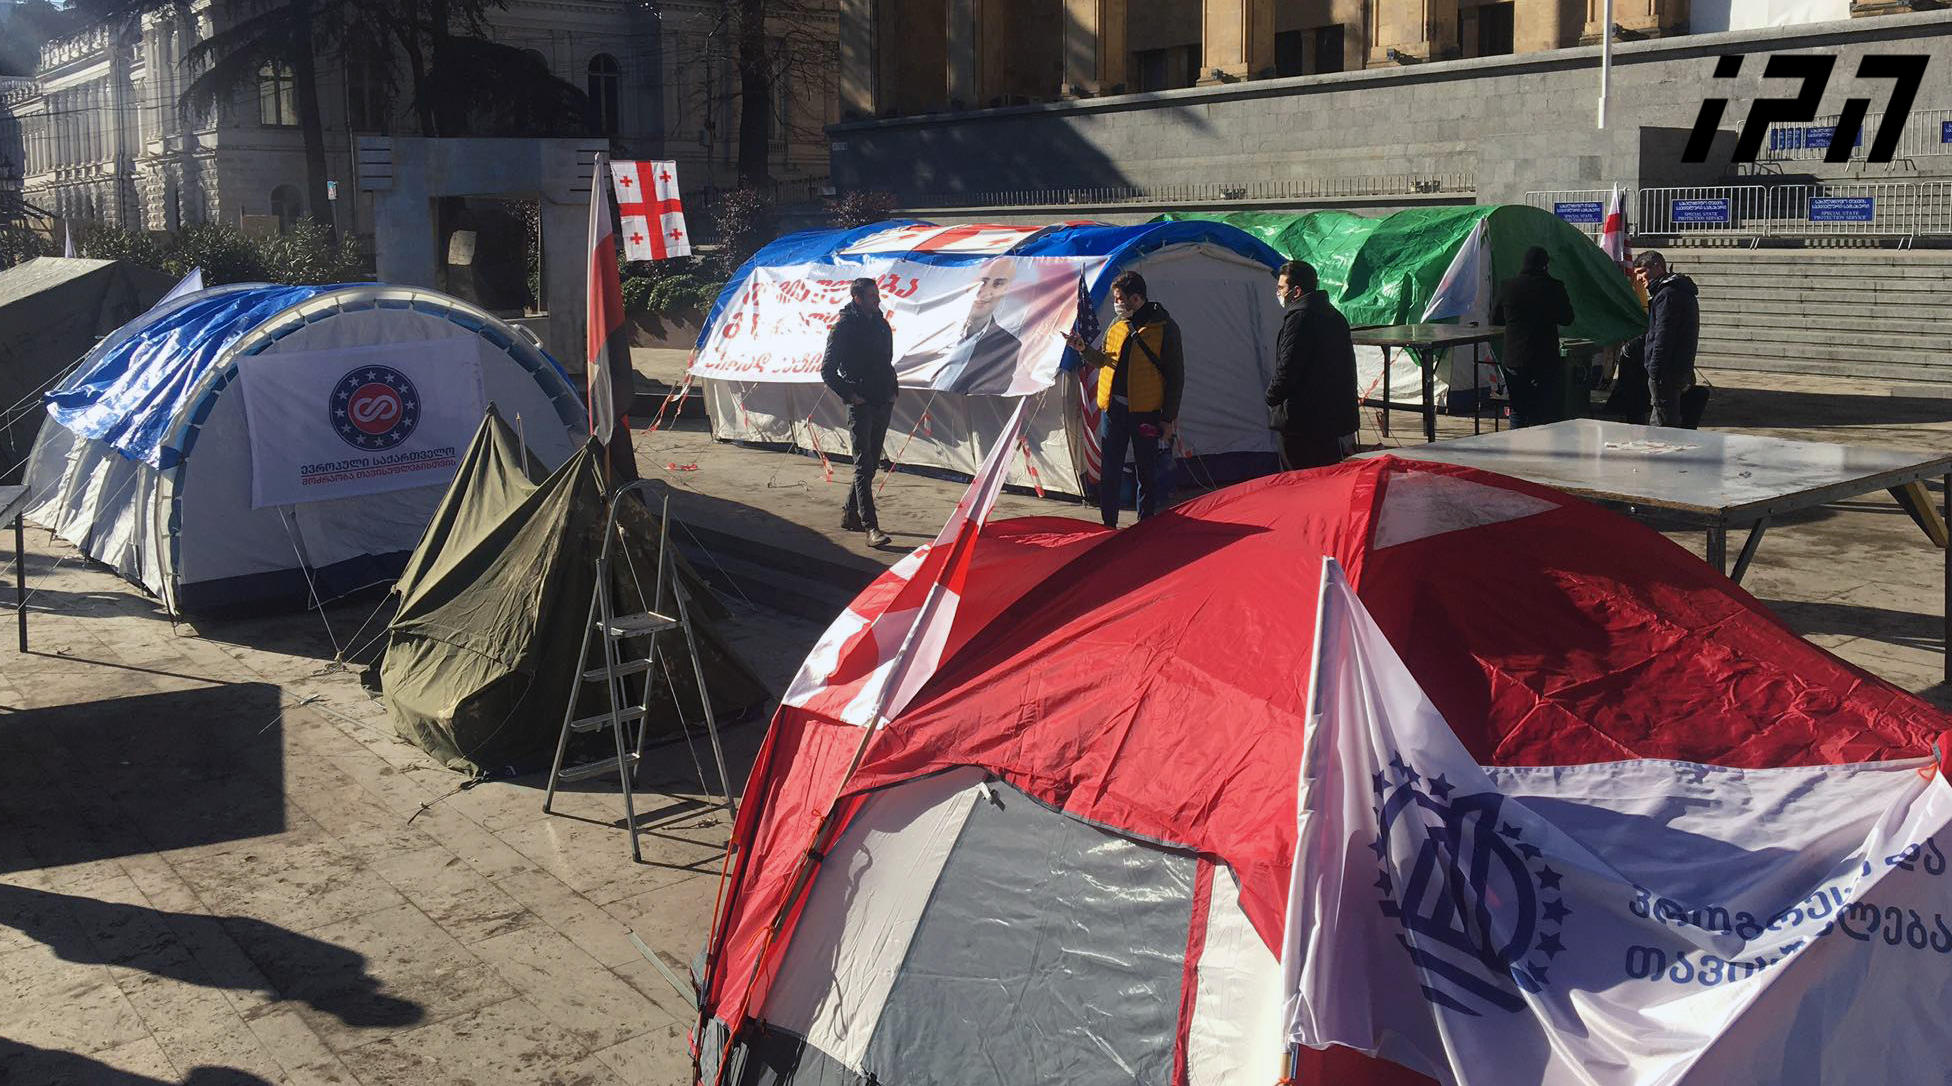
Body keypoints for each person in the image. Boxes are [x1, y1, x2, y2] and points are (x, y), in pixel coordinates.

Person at [1062, 270, 1183, 528]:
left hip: (1146, 412)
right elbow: (1105, 360)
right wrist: (1083, 349)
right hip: (1113, 411)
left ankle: (1145, 524)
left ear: (1136, 298)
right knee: (1110, 469)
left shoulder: (1165, 329)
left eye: (1120, 298)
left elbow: (1176, 377)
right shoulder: (1117, 325)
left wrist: (1168, 418)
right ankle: (1108, 525)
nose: (1117, 303)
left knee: (1146, 471)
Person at [821, 277, 898, 548]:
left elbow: (886, 361)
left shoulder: (880, 323)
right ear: (857, 298)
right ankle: (871, 527)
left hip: (882, 399)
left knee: (870, 464)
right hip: (862, 403)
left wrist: (891, 391)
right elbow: (827, 370)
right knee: (863, 466)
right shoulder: (844, 328)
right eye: (871, 295)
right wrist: (851, 395)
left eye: (877, 294)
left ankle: (849, 514)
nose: (876, 299)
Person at [1264, 260, 1357, 469]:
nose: (1278, 293)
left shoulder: (1299, 319)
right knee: (1326, 474)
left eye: (1281, 288)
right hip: (1331, 418)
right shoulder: (1335, 316)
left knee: (1300, 479)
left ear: (1296, 291)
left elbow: (1288, 367)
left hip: (1301, 420)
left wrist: (1271, 397)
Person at [1490, 246, 1576, 428]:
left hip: (1515, 357)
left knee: (1518, 409)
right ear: (1546, 265)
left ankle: (1516, 449)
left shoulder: (1508, 286)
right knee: (1544, 409)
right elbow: (1567, 318)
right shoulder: (1554, 287)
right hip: (1545, 356)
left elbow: (1496, 319)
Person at [1633, 250, 1700, 428]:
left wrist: (1655, 369)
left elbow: (1663, 335)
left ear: (1657, 267)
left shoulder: (1667, 295)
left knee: (1662, 421)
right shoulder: (1678, 290)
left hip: (1666, 370)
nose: (1639, 279)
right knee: (1668, 416)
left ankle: (1661, 455)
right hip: (1678, 366)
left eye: (1641, 272)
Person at [939, 258, 1024, 395]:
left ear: (1006, 290)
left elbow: (989, 397)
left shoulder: (1007, 346)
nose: (985, 292)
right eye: (982, 282)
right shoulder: (935, 329)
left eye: (997, 285)